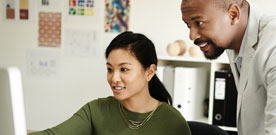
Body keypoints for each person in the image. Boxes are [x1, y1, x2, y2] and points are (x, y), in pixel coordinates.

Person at [28, 31, 191, 135]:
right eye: (110, 69)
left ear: (149, 72)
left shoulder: (172, 122)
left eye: (124, 69)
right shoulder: (96, 110)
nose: (114, 78)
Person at [181, 0, 276, 134]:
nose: (192, 36)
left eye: (199, 23)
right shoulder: (233, 37)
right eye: (188, 25)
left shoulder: (272, 44)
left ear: (233, 14)